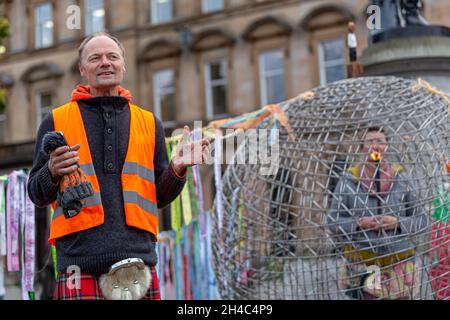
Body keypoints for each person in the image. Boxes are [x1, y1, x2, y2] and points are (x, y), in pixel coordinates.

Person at [27, 32, 210, 300]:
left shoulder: (149, 123)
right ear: (82, 69)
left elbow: (158, 196)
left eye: (112, 57)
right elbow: (35, 192)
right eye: (95, 58)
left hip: (139, 262)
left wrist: (177, 168)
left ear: (123, 65)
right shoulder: (56, 120)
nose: (105, 63)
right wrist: (51, 171)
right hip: (79, 265)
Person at [328, 127, 429, 300]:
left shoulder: (402, 179)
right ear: (361, 148)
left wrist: (397, 222)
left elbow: (422, 220)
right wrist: (360, 223)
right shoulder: (347, 182)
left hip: (400, 263)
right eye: (369, 141)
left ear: (387, 147)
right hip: (363, 262)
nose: (375, 146)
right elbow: (332, 221)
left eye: (380, 142)